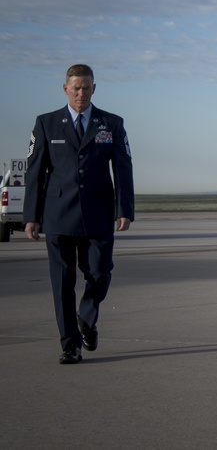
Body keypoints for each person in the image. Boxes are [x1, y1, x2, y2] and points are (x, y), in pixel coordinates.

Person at [23, 64, 135, 364]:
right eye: (75, 87)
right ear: (65, 89)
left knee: (100, 273)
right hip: (58, 215)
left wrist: (125, 210)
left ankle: (86, 317)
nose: (81, 93)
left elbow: (123, 170)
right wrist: (31, 217)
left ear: (94, 89)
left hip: (98, 214)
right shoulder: (46, 124)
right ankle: (70, 344)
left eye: (86, 87)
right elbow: (35, 173)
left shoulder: (111, 123)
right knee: (62, 282)